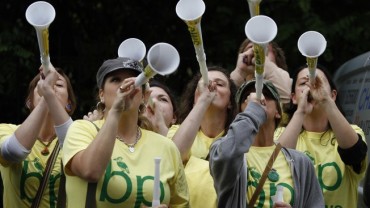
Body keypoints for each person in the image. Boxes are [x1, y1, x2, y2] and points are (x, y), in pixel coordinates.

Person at [62, 57, 189, 207]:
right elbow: (91, 171)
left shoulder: (166, 147)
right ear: (102, 94)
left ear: (144, 96)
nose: (125, 85)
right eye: (116, 80)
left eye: (133, 80)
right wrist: (116, 110)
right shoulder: (82, 130)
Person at [209, 79, 324, 208]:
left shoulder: (301, 162)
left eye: (265, 95)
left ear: (278, 113)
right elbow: (226, 157)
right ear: (241, 113)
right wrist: (252, 113)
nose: (259, 98)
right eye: (248, 98)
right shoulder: (224, 149)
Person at [275, 65, 368, 208]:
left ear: (333, 95)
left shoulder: (351, 132)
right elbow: (276, 166)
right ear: (293, 97)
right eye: (303, 84)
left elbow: (355, 155)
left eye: (318, 82)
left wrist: (325, 101)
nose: (311, 88)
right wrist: (301, 111)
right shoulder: (282, 134)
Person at [0, 65, 76, 207]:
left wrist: (47, 94)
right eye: (43, 83)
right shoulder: (6, 131)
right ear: (29, 102)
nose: (51, 87)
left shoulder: (81, 135)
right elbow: (14, 152)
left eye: (58, 84)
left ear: (69, 105)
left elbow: (74, 147)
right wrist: (47, 98)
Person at [169, 66, 238, 162]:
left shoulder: (238, 138)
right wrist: (203, 100)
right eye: (204, 84)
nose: (211, 87)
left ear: (230, 102)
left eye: (219, 84)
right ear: (194, 99)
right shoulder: (175, 131)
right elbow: (173, 160)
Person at [230, 39, 291, 105]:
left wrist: (263, 61)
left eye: (265, 51)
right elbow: (227, 100)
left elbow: (286, 98)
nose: (256, 52)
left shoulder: (287, 80)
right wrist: (239, 73)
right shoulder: (235, 78)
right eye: (250, 47)